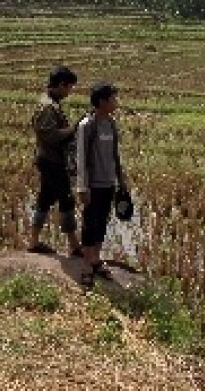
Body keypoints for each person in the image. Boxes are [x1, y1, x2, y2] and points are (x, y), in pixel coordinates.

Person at [76, 81, 128, 286]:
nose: (116, 102)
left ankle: (96, 259)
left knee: (102, 222)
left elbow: (115, 154)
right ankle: (87, 263)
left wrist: (121, 180)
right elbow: (81, 158)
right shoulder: (87, 125)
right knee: (90, 222)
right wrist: (82, 187)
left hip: (108, 182)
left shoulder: (111, 124)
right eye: (113, 98)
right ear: (102, 101)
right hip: (93, 184)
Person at [28, 65, 83, 256]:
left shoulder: (52, 104)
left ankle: (34, 241)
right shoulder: (47, 107)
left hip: (50, 159)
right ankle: (74, 245)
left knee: (45, 198)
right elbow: (50, 136)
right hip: (51, 161)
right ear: (61, 85)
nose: (70, 92)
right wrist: (73, 129)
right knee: (66, 200)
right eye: (69, 87)